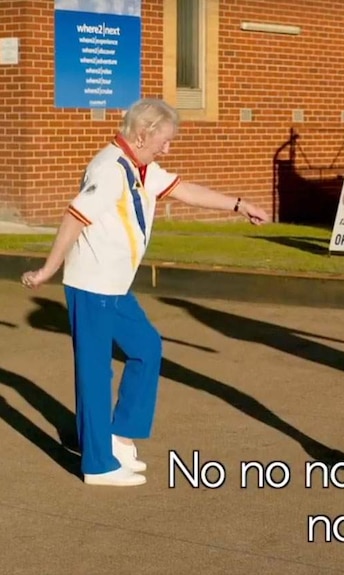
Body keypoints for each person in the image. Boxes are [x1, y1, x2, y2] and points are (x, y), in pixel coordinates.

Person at [20, 98, 269, 486]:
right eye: (165, 140)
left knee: (147, 348)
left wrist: (240, 205)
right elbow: (74, 215)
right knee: (95, 372)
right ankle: (98, 465)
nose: (168, 148)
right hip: (92, 284)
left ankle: (117, 437)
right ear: (143, 134)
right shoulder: (110, 169)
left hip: (115, 286)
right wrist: (48, 269)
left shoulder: (139, 168)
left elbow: (186, 191)